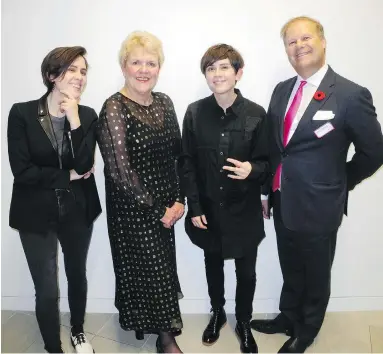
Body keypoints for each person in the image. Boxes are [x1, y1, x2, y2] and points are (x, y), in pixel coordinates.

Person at [250, 16, 383, 353]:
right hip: (283, 199)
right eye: (291, 42)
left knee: (316, 270)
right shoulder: (283, 90)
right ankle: (288, 315)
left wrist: (341, 182)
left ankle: (307, 329)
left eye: (306, 38)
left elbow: (374, 151)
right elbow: (273, 147)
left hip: (321, 204)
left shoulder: (351, 95)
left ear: (323, 42)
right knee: (290, 263)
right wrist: (267, 189)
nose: (299, 46)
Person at [7, 46, 101, 353]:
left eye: (83, 71)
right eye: (71, 70)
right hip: (35, 211)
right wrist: (67, 176)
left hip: (77, 209)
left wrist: (74, 119)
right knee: (46, 288)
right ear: (52, 75)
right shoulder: (21, 113)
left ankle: (77, 332)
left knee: (77, 274)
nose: (79, 77)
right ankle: (52, 346)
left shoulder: (86, 115)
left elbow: (85, 165)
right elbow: (22, 171)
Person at [96, 31, 184, 354]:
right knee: (146, 267)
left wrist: (178, 200)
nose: (144, 69)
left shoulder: (164, 101)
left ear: (159, 67)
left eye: (151, 62)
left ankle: (151, 325)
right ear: (124, 66)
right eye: (137, 62)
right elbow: (120, 171)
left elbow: (177, 154)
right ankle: (165, 339)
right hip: (132, 208)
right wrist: (157, 210)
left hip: (165, 204)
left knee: (161, 268)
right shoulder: (114, 107)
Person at [179, 44, 268, 354]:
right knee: (212, 263)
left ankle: (243, 321)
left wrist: (252, 169)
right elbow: (186, 162)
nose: (217, 74)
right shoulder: (194, 112)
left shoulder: (256, 113)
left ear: (238, 72)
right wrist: (195, 206)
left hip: (244, 210)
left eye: (224, 67)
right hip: (208, 211)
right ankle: (217, 313)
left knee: (247, 272)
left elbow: (270, 161)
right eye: (210, 68)